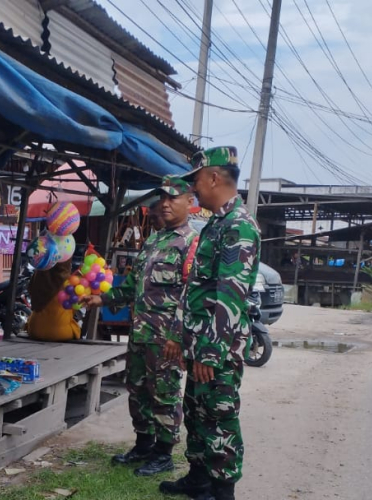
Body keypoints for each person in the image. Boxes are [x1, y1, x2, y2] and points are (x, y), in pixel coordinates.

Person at [160, 147, 260, 500]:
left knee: (219, 417)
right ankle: (199, 479)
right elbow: (196, 288)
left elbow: (229, 295)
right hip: (201, 342)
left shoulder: (239, 227)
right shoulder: (216, 224)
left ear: (214, 178)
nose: (194, 189)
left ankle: (222, 491)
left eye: (197, 180)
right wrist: (180, 334)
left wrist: (210, 352)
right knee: (197, 413)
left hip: (217, 346)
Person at [81, 175, 197, 477]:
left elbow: (191, 296)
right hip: (140, 332)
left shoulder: (192, 244)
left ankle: (164, 453)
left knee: (164, 393)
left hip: (166, 339)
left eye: (174, 198)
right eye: (163, 198)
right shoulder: (154, 240)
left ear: (190, 202)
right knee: (137, 390)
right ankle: (143, 444)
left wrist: (177, 337)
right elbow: (133, 286)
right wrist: (101, 300)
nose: (166, 204)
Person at [26, 260, 81, 341]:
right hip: (61, 333)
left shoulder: (38, 277)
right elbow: (76, 306)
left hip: (35, 330)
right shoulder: (70, 282)